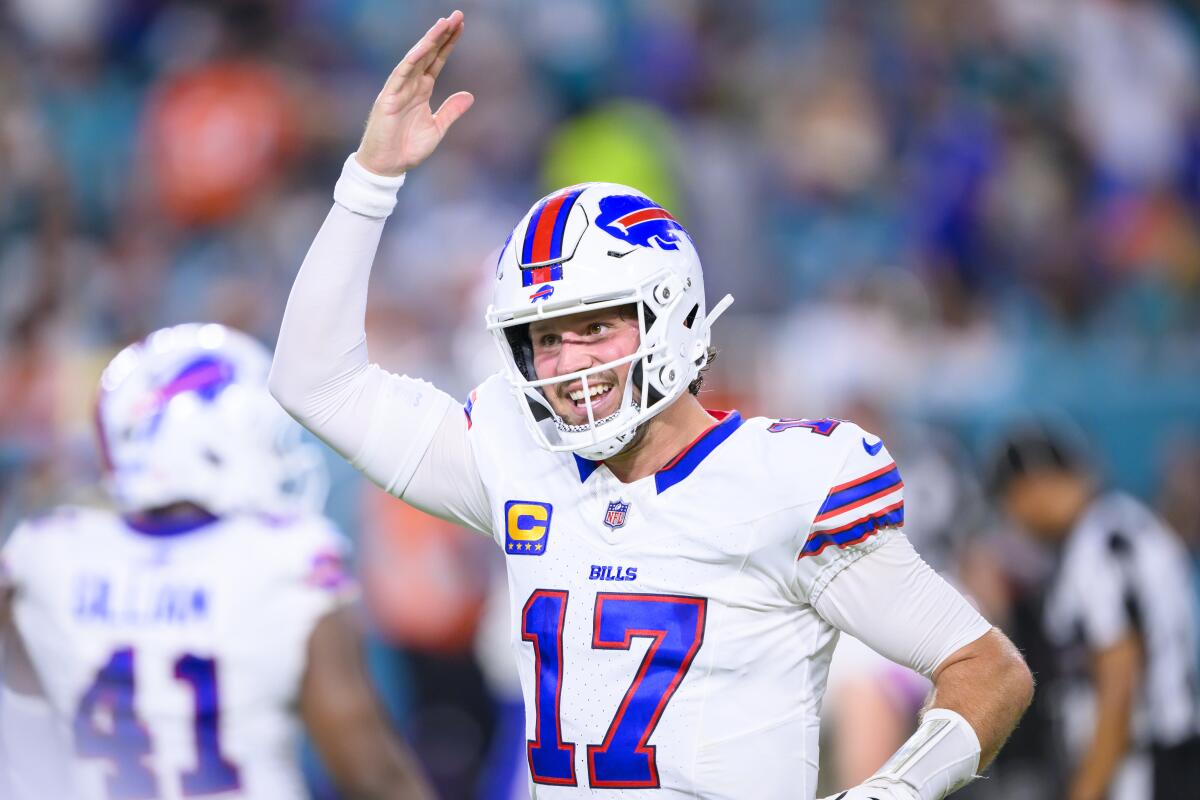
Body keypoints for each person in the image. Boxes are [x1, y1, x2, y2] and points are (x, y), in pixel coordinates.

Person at [269, 11, 1033, 799]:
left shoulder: (790, 479)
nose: (569, 364)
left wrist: (889, 793)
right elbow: (312, 382)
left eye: (594, 328)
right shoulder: (519, 454)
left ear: (668, 314)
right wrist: (371, 177)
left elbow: (986, 668)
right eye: (545, 340)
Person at [0, 323, 433, 800]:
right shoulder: (287, 562)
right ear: (203, 440)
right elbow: (371, 773)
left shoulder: (45, 556)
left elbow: (24, 721)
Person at [988, 422, 1200, 800]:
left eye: (1011, 496)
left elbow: (1120, 675)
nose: (1012, 515)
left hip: (1141, 766)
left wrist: (1087, 789)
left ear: (1036, 484)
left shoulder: (1099, 543)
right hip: (1152, 758)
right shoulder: (1117, 526)